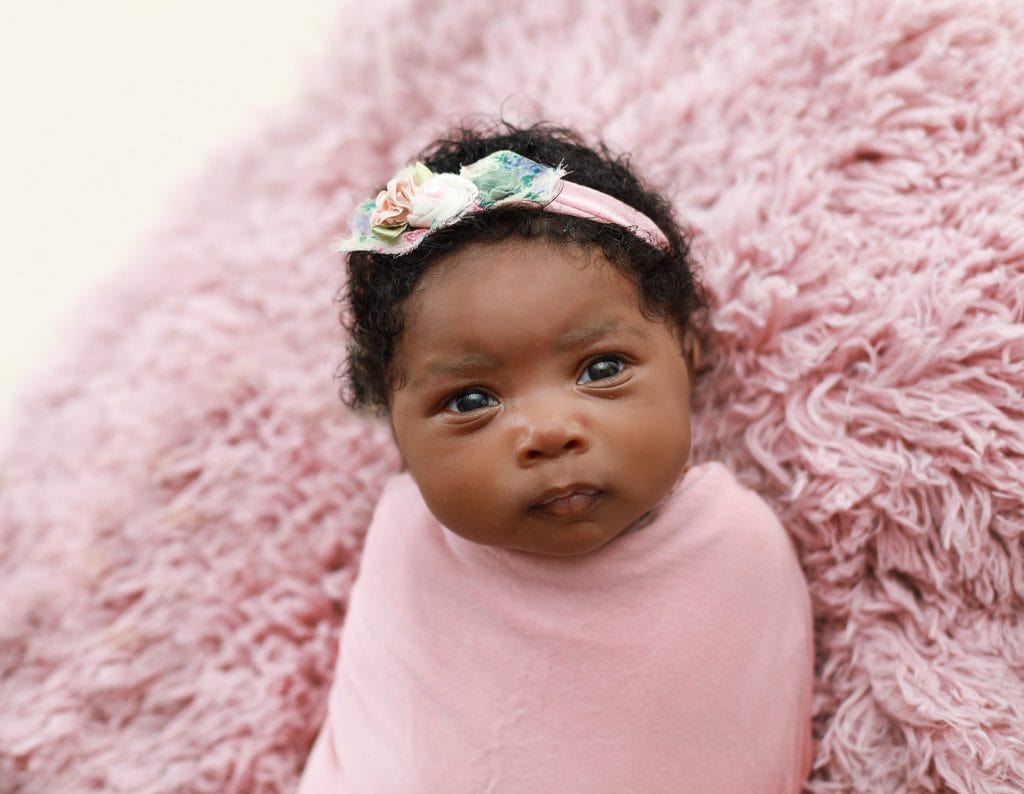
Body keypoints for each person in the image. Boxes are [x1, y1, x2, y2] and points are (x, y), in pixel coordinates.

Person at [299, 123, 815, 792]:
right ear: (394, 429)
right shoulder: (407, 541)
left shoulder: (734, 549)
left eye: (602, 368)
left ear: (687, 349)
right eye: (471, 400)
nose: (546, 432)